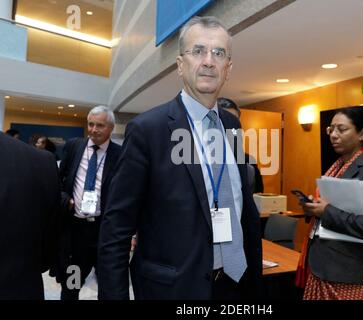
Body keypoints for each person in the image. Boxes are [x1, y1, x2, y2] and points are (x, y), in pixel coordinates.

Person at [97, 16, 262, 300]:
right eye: (198, 51)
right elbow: (116, 229)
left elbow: (240, 206)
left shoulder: (232, 127)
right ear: (180, 64)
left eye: (219, 53)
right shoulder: (148, 130)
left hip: (235, 284)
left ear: (228, 69)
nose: (209, 61)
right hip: (174, 289)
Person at [299, 107, 363, 300]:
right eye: (331, 129)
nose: (333, 135)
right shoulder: (337, 166)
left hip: (350, 273)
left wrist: (326, 211)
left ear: (362, 133)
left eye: (341, 129)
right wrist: (314, 207)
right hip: (323, 268)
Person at [52, 105, 121, 300]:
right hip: (76, 231)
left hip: (104, 231)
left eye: (100, 125)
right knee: (72, 282)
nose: (93, 129)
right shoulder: (74, 146)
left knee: (108, 285)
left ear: (111, 128)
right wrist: (66, 200)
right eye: (90, 124)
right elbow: (57, 179)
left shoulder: (120, 154)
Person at [0, 132, 60, 299]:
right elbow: (49, 236)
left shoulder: (43, 161)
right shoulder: (42, 162)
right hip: (21, 284)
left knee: (74, 280)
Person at [218, 97, 264, 193]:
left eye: (234, 120)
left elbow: (256, 196)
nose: (230, 125)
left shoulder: (248, 162)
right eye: (225, 119)